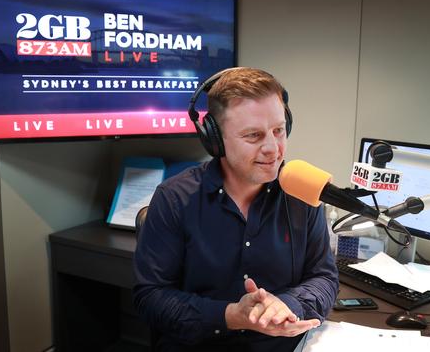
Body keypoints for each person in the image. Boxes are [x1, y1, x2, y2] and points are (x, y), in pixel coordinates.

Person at [133, 67, 339, 351]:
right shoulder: (174, 199)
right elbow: (151, 298)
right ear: (215, 139)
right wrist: (231, 316)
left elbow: (324, 276)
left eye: (279, 130)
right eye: (253, 136)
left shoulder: (302, 194)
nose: (273, 148)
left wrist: (288, 305)